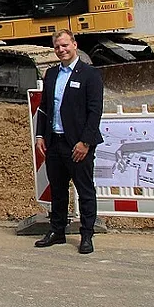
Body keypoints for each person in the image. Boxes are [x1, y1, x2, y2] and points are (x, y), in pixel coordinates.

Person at [34, 29, 103, 254]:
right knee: (58, 189)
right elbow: (44, 108)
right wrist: (40, 135)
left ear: (74, 44)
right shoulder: (52, 74)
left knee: (84, 190)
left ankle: (86, 234)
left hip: (78, 144)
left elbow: (95, 112)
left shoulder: (90, 75)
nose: (61, 50)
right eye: (57, 47)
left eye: (65, 45)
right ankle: (58, 231)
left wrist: (85, 142)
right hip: (55, 142)